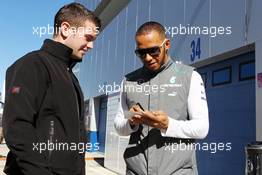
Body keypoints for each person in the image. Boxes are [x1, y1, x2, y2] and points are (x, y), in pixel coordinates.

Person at [2, 3, 100, 175]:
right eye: (88, 38)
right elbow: (17, 128)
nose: (91, 46)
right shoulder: (32, 65)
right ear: (66, 29)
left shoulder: (69, 75)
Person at [114, 21, 209, 175]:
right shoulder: (128, 81)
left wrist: (168, 125)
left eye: (153, 51)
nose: (148, 58)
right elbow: (119, 126)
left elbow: (202, 128)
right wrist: (131, 121)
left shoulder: (189, 77)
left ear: (167, 45)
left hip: (177, 171)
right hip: (136, 171)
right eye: (141, 53)